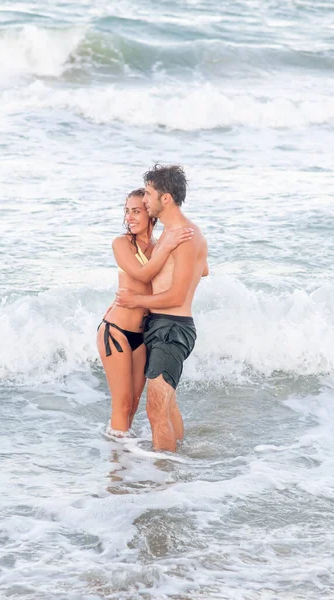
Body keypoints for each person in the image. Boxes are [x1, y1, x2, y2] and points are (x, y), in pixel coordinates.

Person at [115, 165, 208, 452]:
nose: (145, 201)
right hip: (160, 325)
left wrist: (137, 301)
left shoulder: (185, 234)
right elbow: (203, 270)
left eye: (150, 195)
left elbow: (177, 295)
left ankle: (163, 482)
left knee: (155, 410)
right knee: (167, 408)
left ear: (165, 199)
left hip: (172, 327)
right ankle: (177, 470)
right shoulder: (178, 233)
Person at [97, 188, 194, 439]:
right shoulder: (121, 243)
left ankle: (132, 461)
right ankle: (117, 469)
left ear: (150, 213)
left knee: (134, 405)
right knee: (122, 405)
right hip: (116, 331)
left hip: (143, 335)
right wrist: (168, 245)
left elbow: (200, 270)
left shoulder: (160, 245)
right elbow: (142, 275)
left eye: (136, 211)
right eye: (127, 211)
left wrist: (177, 247)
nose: (129, 217)